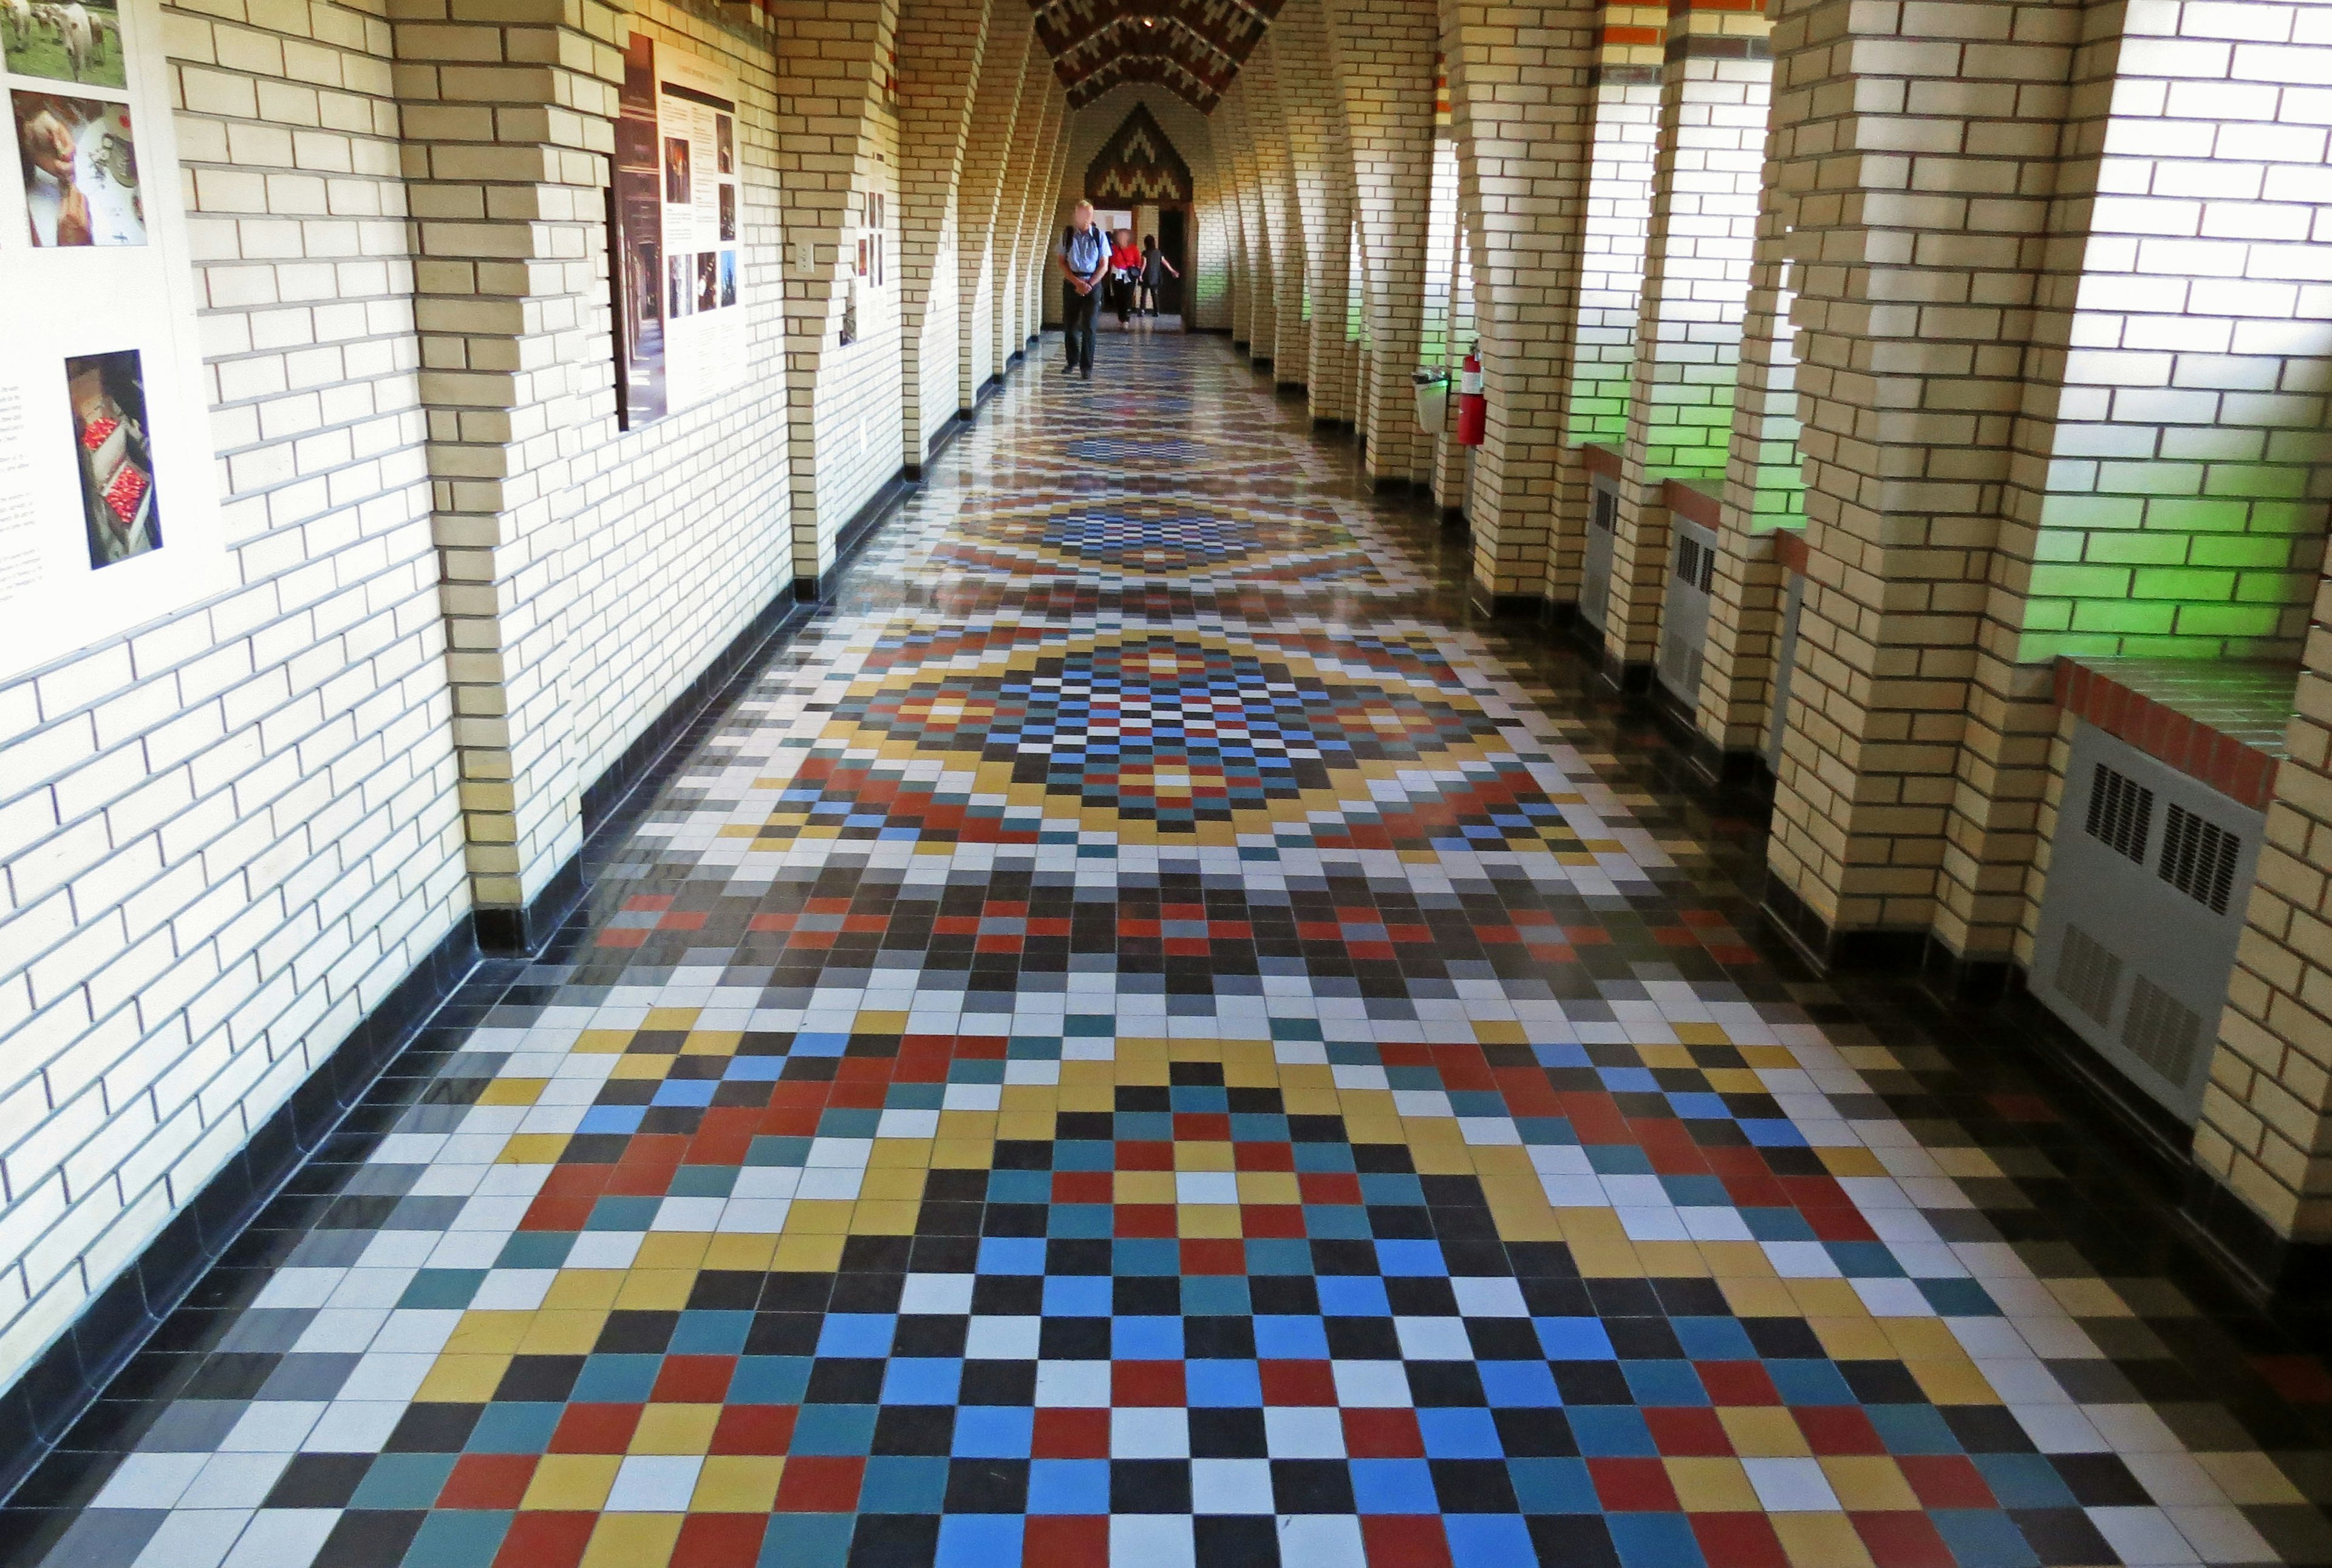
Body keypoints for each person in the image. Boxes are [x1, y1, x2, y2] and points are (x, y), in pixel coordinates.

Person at [1058, 200, 1108, 378]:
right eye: (1082, 214)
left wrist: (1089, 284)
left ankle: (1086, 367)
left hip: (1092, 284)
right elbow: (1062, 263)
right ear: (1076, 215)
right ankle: (1072, 361)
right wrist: (1076, 283)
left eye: (1089, 214)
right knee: (1070, 326)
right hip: (1072, 282)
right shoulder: (1067, 235)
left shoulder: (1099, 236)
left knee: (1089, 327)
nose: (1085, 217)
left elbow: (1104, 266)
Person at [1109, 227, 1143, 328]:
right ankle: (1121, 317)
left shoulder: (1134, 248)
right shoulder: (1114, 248)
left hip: (1129, 276)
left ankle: (1127, 319)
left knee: (1128, 296)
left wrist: (1139, 274)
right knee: (1118, 296)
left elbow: (1138, 262)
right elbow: (1109, 261)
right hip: (1116, 275)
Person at [1139, 235, 1179, 319]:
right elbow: (1165, 262)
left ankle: (1142, 310)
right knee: (1155, 294)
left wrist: (1140, 274)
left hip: (1146, 275)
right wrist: (1172, 270)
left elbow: (1144, 264)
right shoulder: (1159, 252)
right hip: (1156, 276)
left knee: (1144, 294)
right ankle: (1157, 311)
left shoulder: (1145, 253)